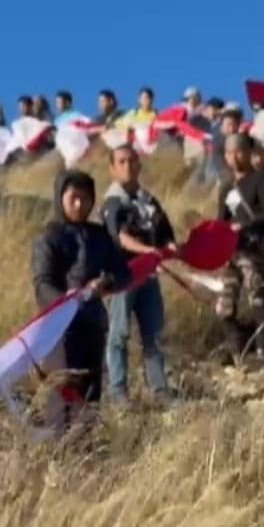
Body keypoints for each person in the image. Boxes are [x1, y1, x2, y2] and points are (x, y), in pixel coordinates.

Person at [32, 169, 132, 415]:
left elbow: (123, 273)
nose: (79, 204)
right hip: (59, 329)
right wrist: (69, 299)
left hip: (93, 322)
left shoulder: (99, 236)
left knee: (91, 392)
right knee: (63, 391)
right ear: (60, 198)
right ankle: (61, 449)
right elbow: (42, 282)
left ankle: (88, 447)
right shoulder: (49, 237)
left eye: (85, 198)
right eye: (73, 198)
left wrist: (104, 283)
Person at [100, 145, 176, 403]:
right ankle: (118, 392)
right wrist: (148, 251)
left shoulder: (148, 200)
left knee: (153, 333)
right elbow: (119, 237)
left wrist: (170, 249)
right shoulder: (112, 201)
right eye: (121, 161)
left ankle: (159, 388)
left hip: (149, 275)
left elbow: (166, 233)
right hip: (124, 275)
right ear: (112, 168)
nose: (128, 166)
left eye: (132, 161)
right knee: (119, 334)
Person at [215, 135, 264, 360]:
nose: (233, 157)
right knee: (224, 303)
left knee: (256, 295)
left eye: (238, 151)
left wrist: (245, 226)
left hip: (256, 250)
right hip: (232, 252)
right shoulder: (226, 188)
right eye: (228, 152)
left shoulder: (260, 179)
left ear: (248, 152)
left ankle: (262, 350)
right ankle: (236, 347)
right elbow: (221, 221)